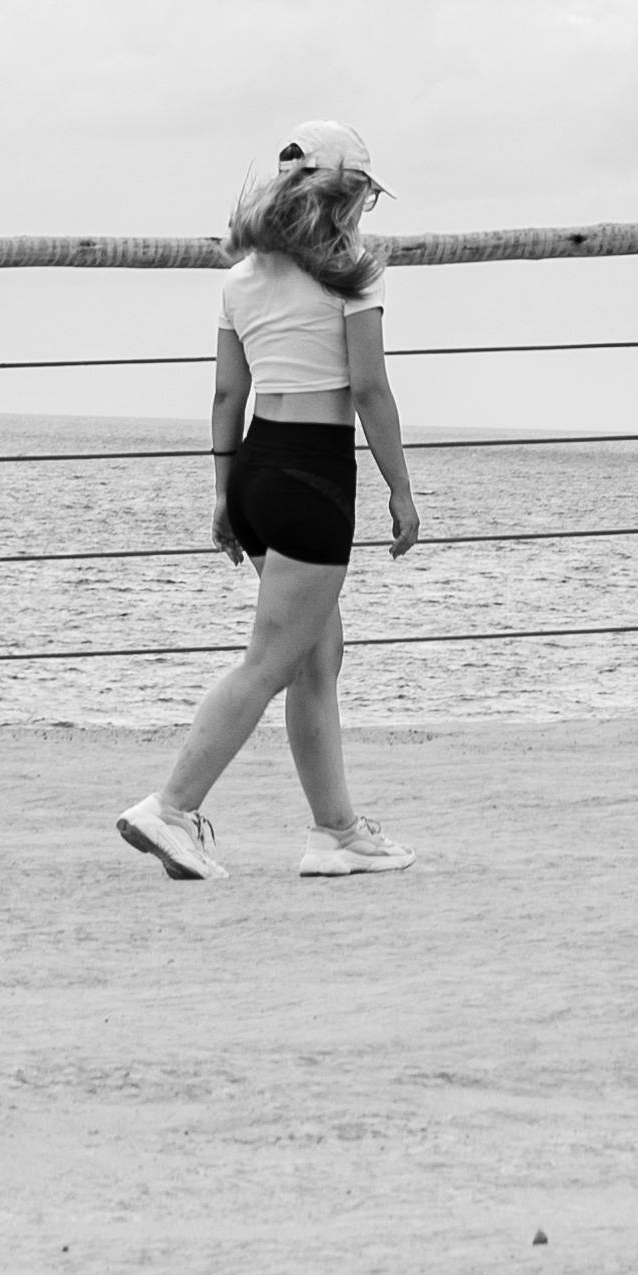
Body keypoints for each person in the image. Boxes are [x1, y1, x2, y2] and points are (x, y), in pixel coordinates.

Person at [115, 120, 423, 881]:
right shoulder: (351, 270)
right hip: (315, 478)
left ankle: (336, 832)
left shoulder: (242, 276)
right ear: (345, 192)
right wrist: (402, 488)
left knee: (317, 656)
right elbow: (370, 388)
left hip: (256, 467)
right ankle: (172, 807)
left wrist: (225, 491)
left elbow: (228, 392)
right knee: (267, 663)